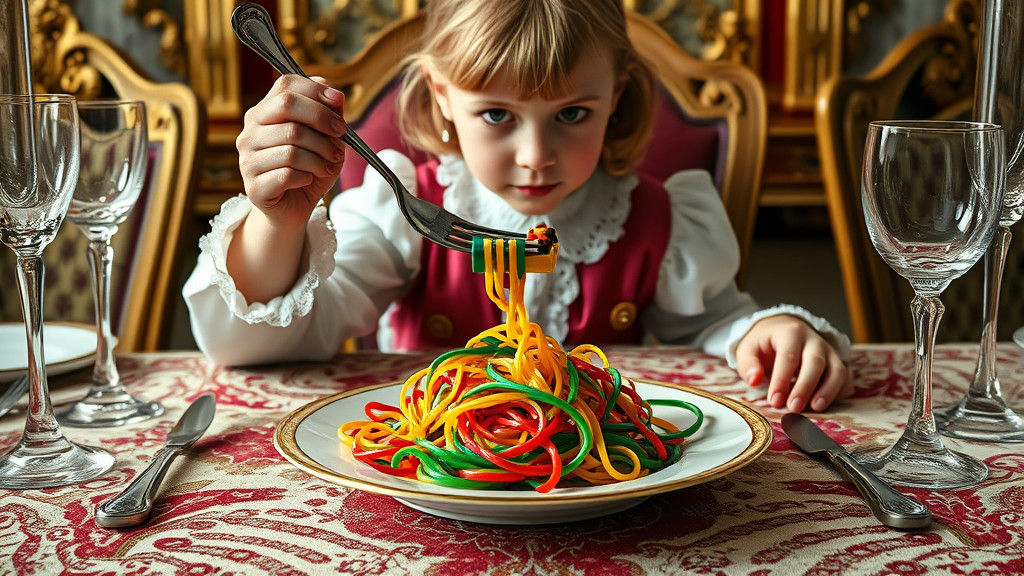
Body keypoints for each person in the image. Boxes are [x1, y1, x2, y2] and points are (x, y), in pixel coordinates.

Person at [184, 0, 852, 413]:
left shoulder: (662, 218)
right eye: (498, 114)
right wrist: (279, 221)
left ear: (616, 96)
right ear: (443, 97)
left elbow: (712, 328)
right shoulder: (405, 210)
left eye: (572, 114)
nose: (536, 155)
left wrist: (766, 334)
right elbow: (257, 348)